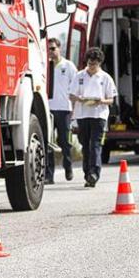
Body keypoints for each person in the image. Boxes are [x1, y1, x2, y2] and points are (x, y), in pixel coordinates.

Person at [68, 47, 117, 188]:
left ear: (99, 63)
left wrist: (101, 101)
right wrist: (80, 99)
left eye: (94, 64)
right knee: (85, 145)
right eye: (90, 63)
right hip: (82, 114)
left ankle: (94, 174)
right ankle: (87, 174)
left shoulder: (105, 77)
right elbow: (71, 94)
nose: (91, 67)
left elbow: (111, 99)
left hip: (99, 115)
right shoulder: (79, 76)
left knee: (95, 144)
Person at [45, 38, 77, 183]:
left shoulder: (68, 66)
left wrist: (74, 109)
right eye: (48, 49)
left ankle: (68, 167)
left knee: (65, 142)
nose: (50, 52)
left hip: (64, 109)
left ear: (59, 48)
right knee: (48, 143)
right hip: (48, 110)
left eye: (52, 49)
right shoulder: (45, 66)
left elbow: (76, 87)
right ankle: (48, 175)